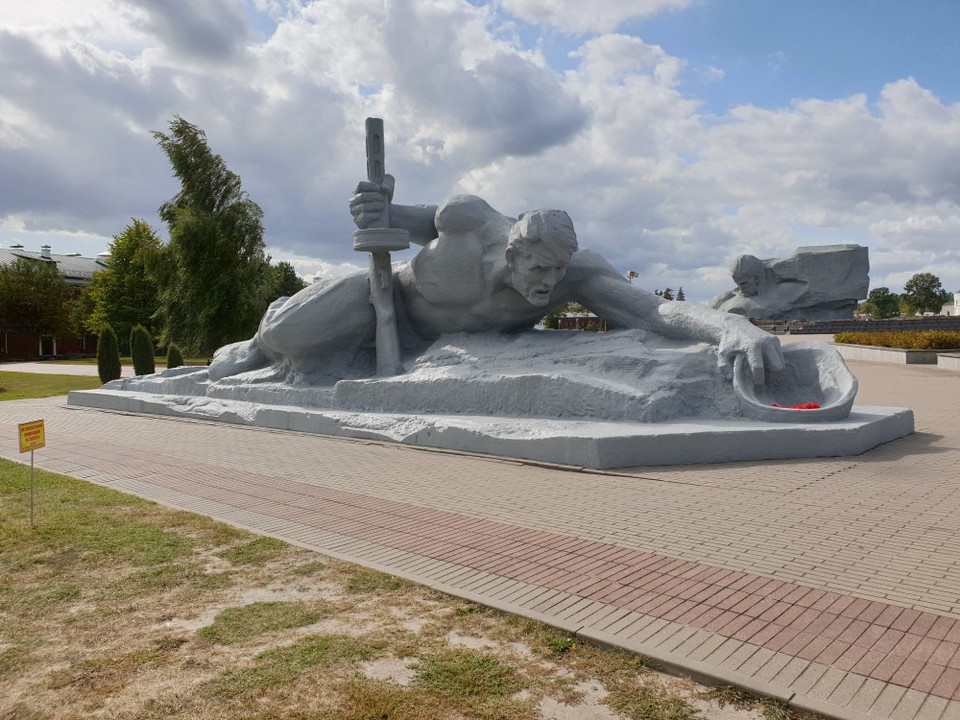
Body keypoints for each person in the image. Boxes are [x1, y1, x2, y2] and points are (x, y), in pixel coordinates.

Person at [209, 176, 783, 385]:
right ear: (511, 253)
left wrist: (728, 328)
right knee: (292, 337)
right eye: (537, 268)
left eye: (557, 271)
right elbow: (396, 220)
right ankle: (261, 341)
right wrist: (375, 208)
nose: (547, 282)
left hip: (431, 353)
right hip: (382, 304)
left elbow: (652, 311)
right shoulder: (467, 222)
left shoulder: (575, 272)